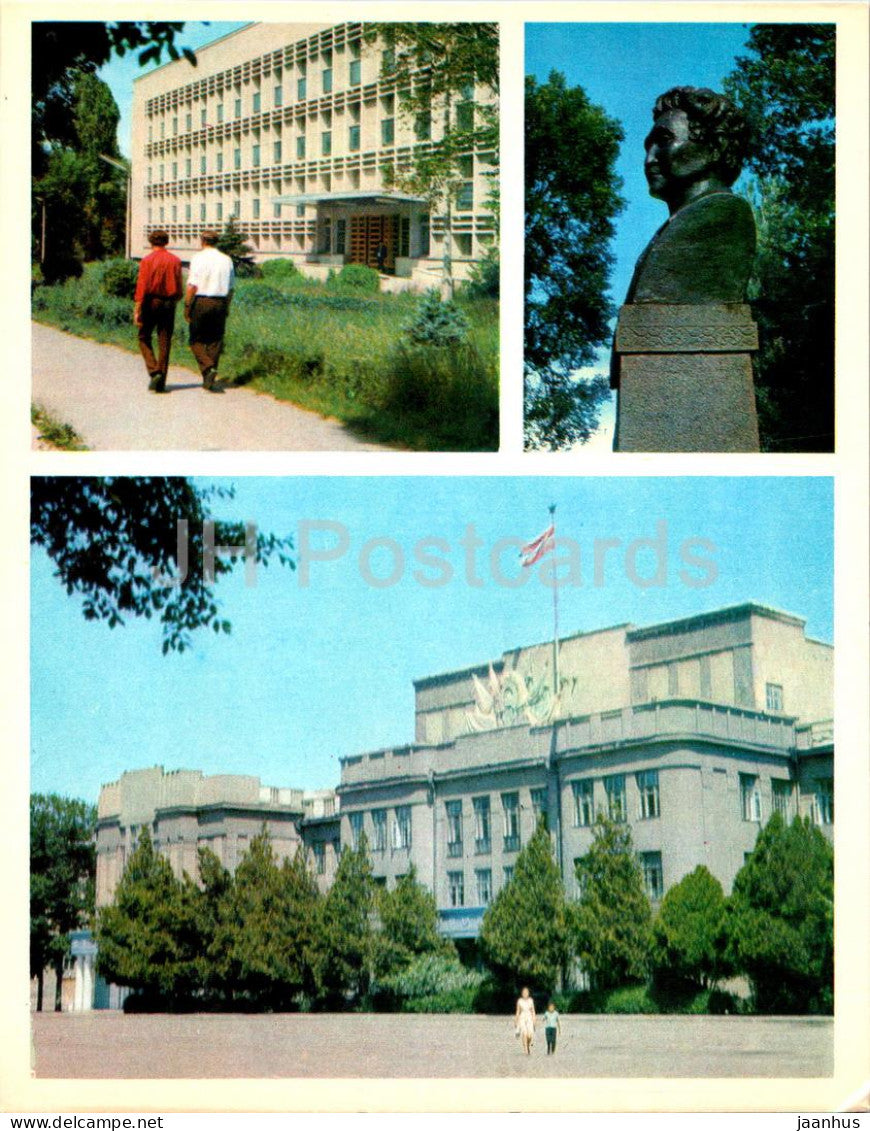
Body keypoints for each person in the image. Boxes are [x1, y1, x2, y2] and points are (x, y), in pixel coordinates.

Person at [623, 86, 755, 306]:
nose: (649, 160)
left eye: (664, 140)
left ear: (715, 147)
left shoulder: (722, 219)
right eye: (648, 147)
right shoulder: (675, 227)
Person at [184, 230, 235, 392]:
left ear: (202, 241)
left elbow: (192, 285)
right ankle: (209, 377)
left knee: (195, 339)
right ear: (217, 242)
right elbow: (231, 289)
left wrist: (187, 305)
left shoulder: (198, 258)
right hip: (220, 301)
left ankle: (208, 367)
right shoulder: (227, 260)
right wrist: (227, 306)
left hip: (201, 301)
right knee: (215, 340)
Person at [133, 230, 183, 393]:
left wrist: (137, 309)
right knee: (165, 340)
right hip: (169, 302)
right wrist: (175, 298)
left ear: (150, 242)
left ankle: (154, 371)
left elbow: (142, 286)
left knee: (143, 336)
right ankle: (161, 382)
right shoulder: (175, 260)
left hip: (151, 301)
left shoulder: (147, 261)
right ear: (166, 242)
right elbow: (179, 284)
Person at [514, 986, 536, 1056]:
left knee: (530, 1035)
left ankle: (528, 1045)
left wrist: (534, 1019)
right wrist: (516, 1020)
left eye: (526, 992)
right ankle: (526, 1049)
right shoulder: (519, 1001)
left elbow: (533, 1011)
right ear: (522, 993)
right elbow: (518, 1011)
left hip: (529, 1018)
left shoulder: (531, 1000)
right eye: (524, 992)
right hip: (522, 1018)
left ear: (528, 993)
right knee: (525, 1033)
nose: (525, 994)